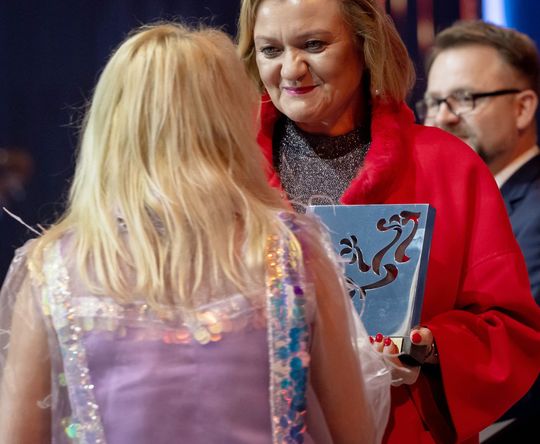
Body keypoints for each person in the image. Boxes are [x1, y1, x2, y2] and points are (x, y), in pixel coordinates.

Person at [0, 22, 392, 443]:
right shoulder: (291, 253)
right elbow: (355, 433)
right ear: (230, 123)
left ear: (110, 126)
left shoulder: (54, 269)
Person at [237, 0, 540, 443]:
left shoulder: (448, 165)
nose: (291, 69)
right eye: (270, 50)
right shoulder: (227, 172)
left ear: (364, 43)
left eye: (314, 44)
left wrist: (428, 347)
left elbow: (511, 330)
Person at [420, 19, 540, 440]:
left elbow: (526, 357)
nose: (443, 117)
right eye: (433, 103)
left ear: (523, 107)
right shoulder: (438, 212)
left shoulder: (535, 213)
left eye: (464, 98)